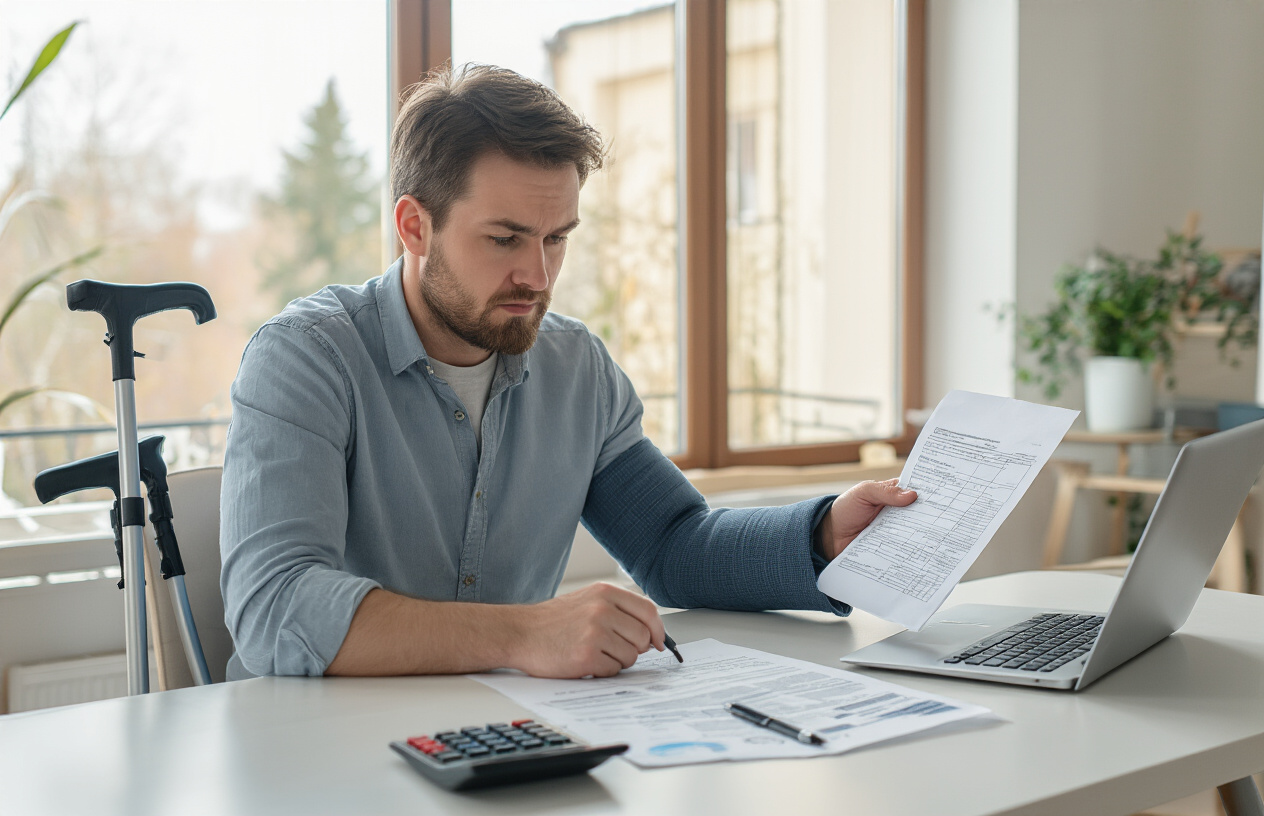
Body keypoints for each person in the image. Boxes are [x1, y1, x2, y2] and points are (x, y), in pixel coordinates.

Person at [219, 64, 916, 682]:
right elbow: (276, 605)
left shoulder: (575, 366)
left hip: (503, 737)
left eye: (557, 239)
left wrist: (824, 534)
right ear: (413, 226)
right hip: (316, 750)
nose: (538, 275)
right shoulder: (305, 358)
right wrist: (525, 633)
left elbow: (672, 545)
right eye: (504, 239)